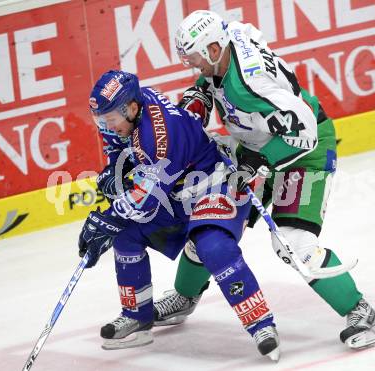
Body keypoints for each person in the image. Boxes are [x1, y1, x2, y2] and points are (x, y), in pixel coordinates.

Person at [153, 10, 375, 350]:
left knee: (293, 243)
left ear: (213, 48)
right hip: (257, 147)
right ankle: (184, 296)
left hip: (301, 153)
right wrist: (202, 93)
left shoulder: (252, 84)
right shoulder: (226, 42)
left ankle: (362, 312)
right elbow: (231, 44)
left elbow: (305, 130)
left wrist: (260, 161)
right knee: (210, 221)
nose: (194, 66)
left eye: (195, 58)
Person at [78, 69, 281, 360]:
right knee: (125, 236)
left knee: (213, 246)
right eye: (101, 121)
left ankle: (261, 324)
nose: (106, 127)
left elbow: (144, 200)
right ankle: (138, 315)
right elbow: (117, 149)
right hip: (174, 192)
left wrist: (106, 219)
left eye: (110, 120)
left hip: (214, 186)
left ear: (132, 108)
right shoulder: (127, 111)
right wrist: (114, 170)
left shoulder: (157, 136)